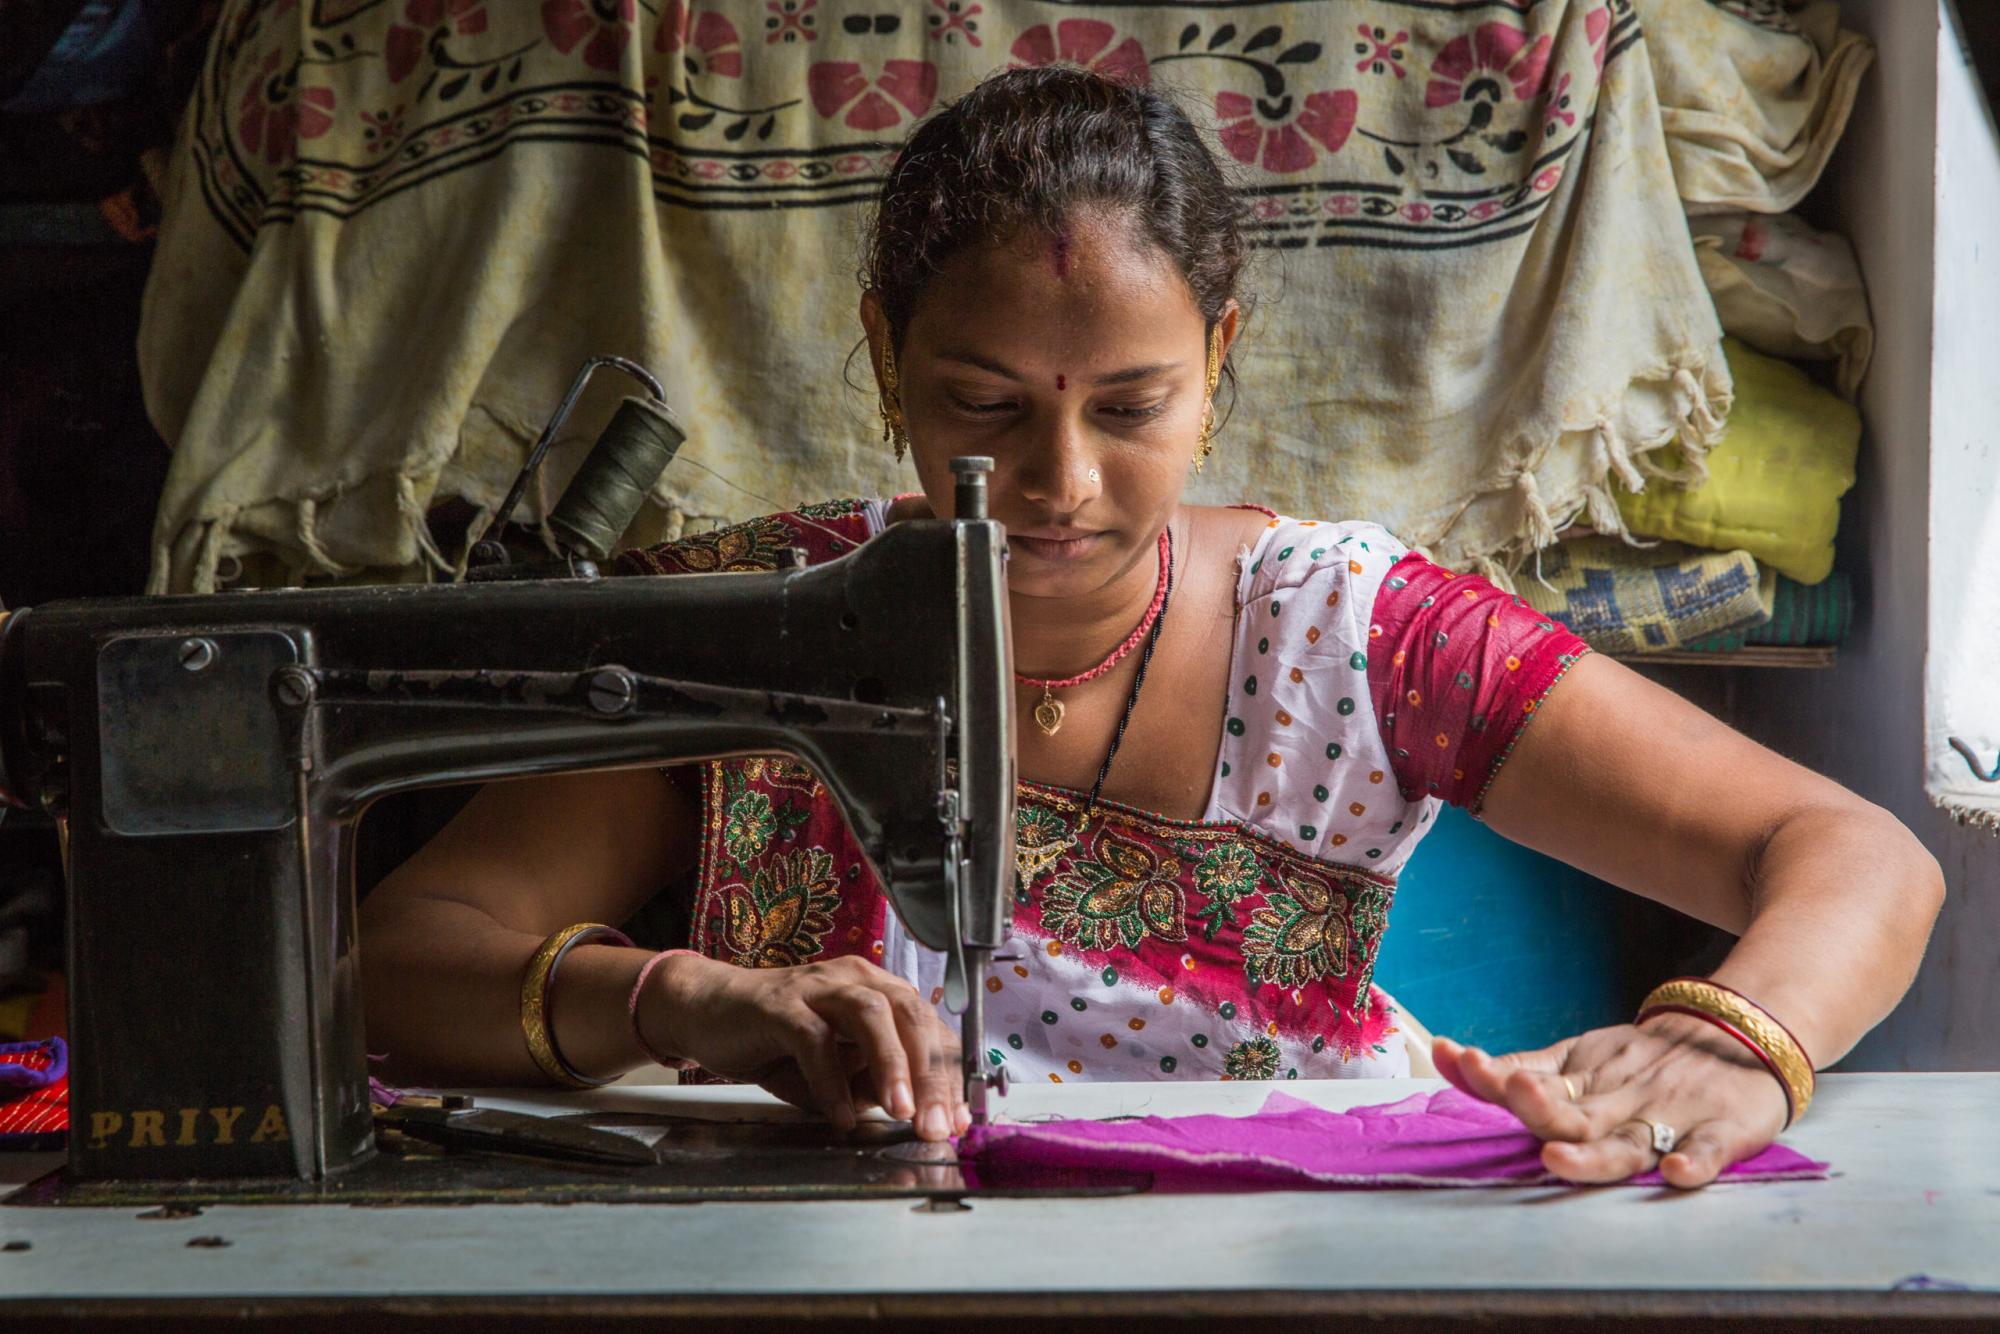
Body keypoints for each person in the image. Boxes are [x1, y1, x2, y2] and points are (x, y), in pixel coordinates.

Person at [360, 66, 1942, 1189]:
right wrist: (690, 998)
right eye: (984, 403)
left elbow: (1855, 851)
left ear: (1221, 357)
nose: (1059, 481)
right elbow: (398, 962)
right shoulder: (748, 633)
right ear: (884, 358)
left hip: (1297, 1274)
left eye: (1132, 406)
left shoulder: (1358, 636)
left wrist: (1740, 1040)